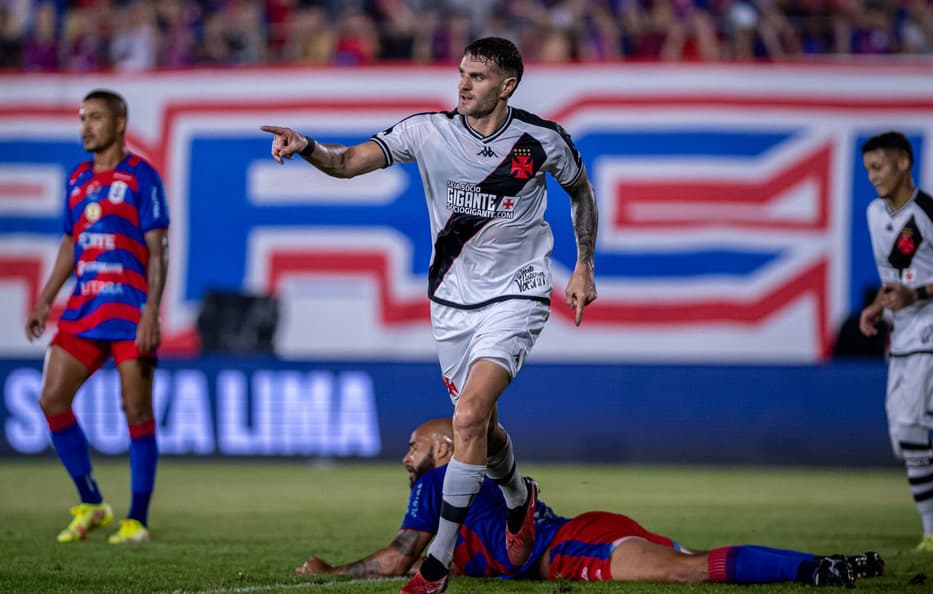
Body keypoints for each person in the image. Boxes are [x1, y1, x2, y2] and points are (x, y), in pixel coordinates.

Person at [261, 37, 598, 593]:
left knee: (466, 418)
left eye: (478, 77)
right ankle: (519, 500)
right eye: (461, 74)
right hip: (451, 305)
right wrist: (307, 146)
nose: (463, 85)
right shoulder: (428, 131)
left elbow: (581, 195)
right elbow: (346, 163)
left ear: (507, 85)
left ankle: (436, 566)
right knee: (481, 427)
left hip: (519, 293)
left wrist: (583, 265)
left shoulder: (541, 141)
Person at [295, 418, 884, 588]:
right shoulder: (454, 478)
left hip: (573, 546)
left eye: (414, 446)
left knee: (687, 572)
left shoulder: (437, 480)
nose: (406, 456)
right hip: (586, 526)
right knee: (694, 560)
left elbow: (399, 558)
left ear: (444, 449)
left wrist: (329, 572)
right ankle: (819, 563)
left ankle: (815, 569)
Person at [24, 89, 169, 544]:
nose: (86, 126)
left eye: (96, 117)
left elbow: (157, 250)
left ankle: (137, 519)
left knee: (136, 409)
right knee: (51, 399)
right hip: (85, 309)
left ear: (120, 122)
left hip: (129, 310)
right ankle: (91, 502)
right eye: (82, 118)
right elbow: (71, 243)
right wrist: (47, 298)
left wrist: (151, 311)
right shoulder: (77, 179)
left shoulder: (142, 176)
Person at [859, 130, 933, 554]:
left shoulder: (928, 211)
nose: (873, 176)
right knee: (902, 440)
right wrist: (878, 306)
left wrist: (920, 295)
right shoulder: (877, 215)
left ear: (904, 162)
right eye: (868, 169)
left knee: (913, 431)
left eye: (879, 166)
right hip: (903, 333)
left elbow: (922, 283)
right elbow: (895, 276)